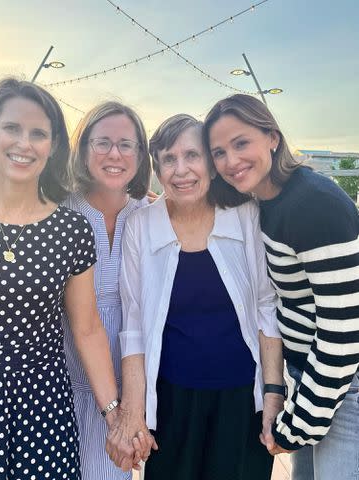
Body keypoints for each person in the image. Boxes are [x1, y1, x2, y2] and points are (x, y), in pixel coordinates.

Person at [0, 77, 126, 479]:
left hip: (42, 406)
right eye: (12, 128)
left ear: (54, 146)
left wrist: (114, 415)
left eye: (38, 133)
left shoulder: (71, 230)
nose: (24, 144)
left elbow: (88, 328)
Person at [112, 114, 284, 480]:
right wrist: (133, 413)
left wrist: (273, 394)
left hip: (241, 402)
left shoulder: (244, 215)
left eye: (192, 155)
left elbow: (267, 307)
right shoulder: (141, 227)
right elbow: (134, 326)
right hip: (172, 404)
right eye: (169, 159)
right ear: (156, 167)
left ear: (210, 162)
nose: (181, 170)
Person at [202, 94, 359, 480]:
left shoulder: (313, 204)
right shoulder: (268, 201)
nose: (231, 161)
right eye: (218, 152)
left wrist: (297, 426)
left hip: (344, 385)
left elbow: (343, 335)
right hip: (311, 381)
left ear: (272, 137)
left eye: (241, 143)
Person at [62, 101, 153, 479]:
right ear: (83, 151)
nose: (114, 154)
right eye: (102, 143)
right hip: (64, 383)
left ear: (140, 154)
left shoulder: (152, 217)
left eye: (126, 144)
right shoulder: (58, 214)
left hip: (132, 386)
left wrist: (133, 408)